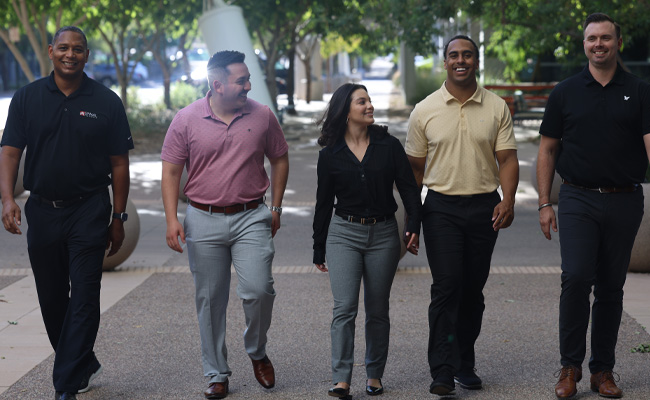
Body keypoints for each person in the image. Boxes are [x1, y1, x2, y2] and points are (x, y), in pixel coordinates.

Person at [0, 26, 133, 400]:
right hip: (42, 210)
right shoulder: (26, 99)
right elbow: (10, 151)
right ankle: (82, 362)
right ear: (50, 51)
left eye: (77, 49)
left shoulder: (106, 101)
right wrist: (8, 199)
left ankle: (65, 386)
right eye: (63, 48)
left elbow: (119, 165)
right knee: (53, 297)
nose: (70, 54)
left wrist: (118, 218)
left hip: (89, 209)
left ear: (87, 55)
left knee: (86, 296)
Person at [161, 50, 289, 400]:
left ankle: (257, 350)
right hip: (203, 218)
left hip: (252, 216)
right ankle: (217, 372)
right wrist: (172, 218)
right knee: (209, 299)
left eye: (248, 79)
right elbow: (171, 171)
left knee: (259, 290)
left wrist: (276, 205)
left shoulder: (262, 116)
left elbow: (279, 158)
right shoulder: (186, 119)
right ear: (217, 84)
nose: (248, 85)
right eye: (241, 80)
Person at [537, 13, 650, 399]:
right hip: (577, 197)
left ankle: (603, 370)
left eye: (605, 38)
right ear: (583, 44)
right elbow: (548, 149)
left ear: (617, 42)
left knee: (611, 287)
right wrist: (543, 203)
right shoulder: (565, 91)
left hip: (624, 199)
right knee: (575, 279)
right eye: (591, 39)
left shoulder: (639, 90)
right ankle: (569, 367)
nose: (598, 44)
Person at [405, 35, 519, 396]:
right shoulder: (424, 109)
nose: (461, 60)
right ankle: (442, 370)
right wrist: (412, 221)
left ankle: (463, 363)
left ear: (476, 61)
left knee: (472, 290)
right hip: (440, 208)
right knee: (447, 286)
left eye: (467, 55)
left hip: (485, 207)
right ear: (445, 62)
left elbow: (508, 159)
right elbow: (414, 172)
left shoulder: (497, 107)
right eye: (454, 55)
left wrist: (509, 199)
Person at [312, 83, 421, 398]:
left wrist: (414, 223)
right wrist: (319, 247)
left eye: (370, 100)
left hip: (384, 235)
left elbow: (409, 189)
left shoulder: (388, 146)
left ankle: (374, 374)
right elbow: (322, 204)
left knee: (377, 309)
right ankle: (341, 377)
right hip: (343, 234)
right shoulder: (330, 154)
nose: (369, 105)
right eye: (362, 102)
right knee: (344, 307)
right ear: (346, 110)